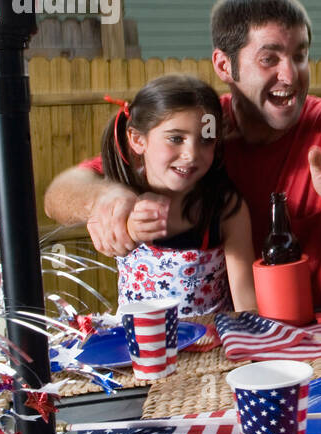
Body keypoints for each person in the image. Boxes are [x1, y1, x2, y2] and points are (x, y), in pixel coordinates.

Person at [44, 0, 321, 309]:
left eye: (301, 55)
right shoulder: (197, 128)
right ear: (223, 65)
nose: (291, 75)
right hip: (221, 340)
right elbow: (59, 194)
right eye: (269, 59)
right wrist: (104, 200)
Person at [97, 74, 256, 316]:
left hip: (212, 347)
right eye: (176, 138)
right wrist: (126, 228)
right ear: (138, 140)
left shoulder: (226, 208)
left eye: (205, 140)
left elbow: (247, 305)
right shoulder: (119, 200)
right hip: (137, 346)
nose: (191, 154)